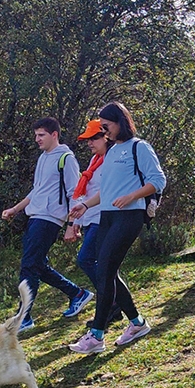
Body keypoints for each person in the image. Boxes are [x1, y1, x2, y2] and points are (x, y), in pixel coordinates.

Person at [65, 102, 166, 354]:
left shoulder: (139, 147)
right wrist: (85, 205)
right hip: (107, 217)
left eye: (106, 126)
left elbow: (158, 180)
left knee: (104, 272)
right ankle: (137, 323)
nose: (104, 131)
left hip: (129, 216)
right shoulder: (109, 153)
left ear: (120, 121)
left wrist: (132, 196)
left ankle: (97, 335)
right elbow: (106, 191)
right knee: (108, 271)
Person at [1, 118, 92, 333]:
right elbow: (37, 191)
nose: (37, 139)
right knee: (37, 265)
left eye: (41, 135)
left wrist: (72, 224)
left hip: (50, 218)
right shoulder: (43, 158)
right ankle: (77, 294)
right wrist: (15, 209)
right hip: (36, 216)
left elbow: (74, 193)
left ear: (54, 135)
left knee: (29, 265)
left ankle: (24, 316)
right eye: (35, 135)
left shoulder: (66, 158)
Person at [68, 119, 115, 322]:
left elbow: (107, 192)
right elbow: (86, 191)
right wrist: (76, 221)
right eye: (87, 139)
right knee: (103, 265)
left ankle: (113, 300)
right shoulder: (95, 161)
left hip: (104, 218)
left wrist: (84, 210)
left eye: (94, 138)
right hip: (91, 219)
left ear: (106, 137)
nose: (89, 143)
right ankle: (112, 304)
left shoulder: (112, 159)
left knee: (86, 259)